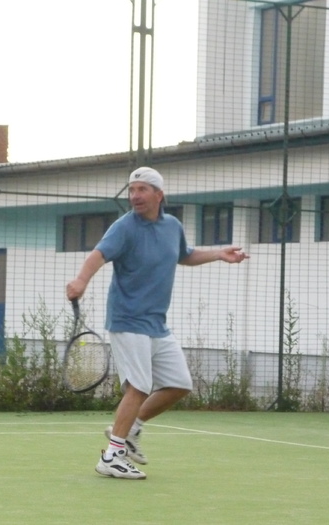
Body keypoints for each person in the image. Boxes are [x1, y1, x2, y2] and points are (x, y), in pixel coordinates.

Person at [66, 166, 249, 480]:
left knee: (179, 384)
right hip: (127, 319)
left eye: (142, 189)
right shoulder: (123, 227)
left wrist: (219, 254)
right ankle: (112, 455)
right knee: (138, 386)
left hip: (156, 324)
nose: (135, 196)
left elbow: (184, 255)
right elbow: (98, 255)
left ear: (158, 195)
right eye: (132, 190)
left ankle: (131, 428)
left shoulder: (172, 226)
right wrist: (81, 280)